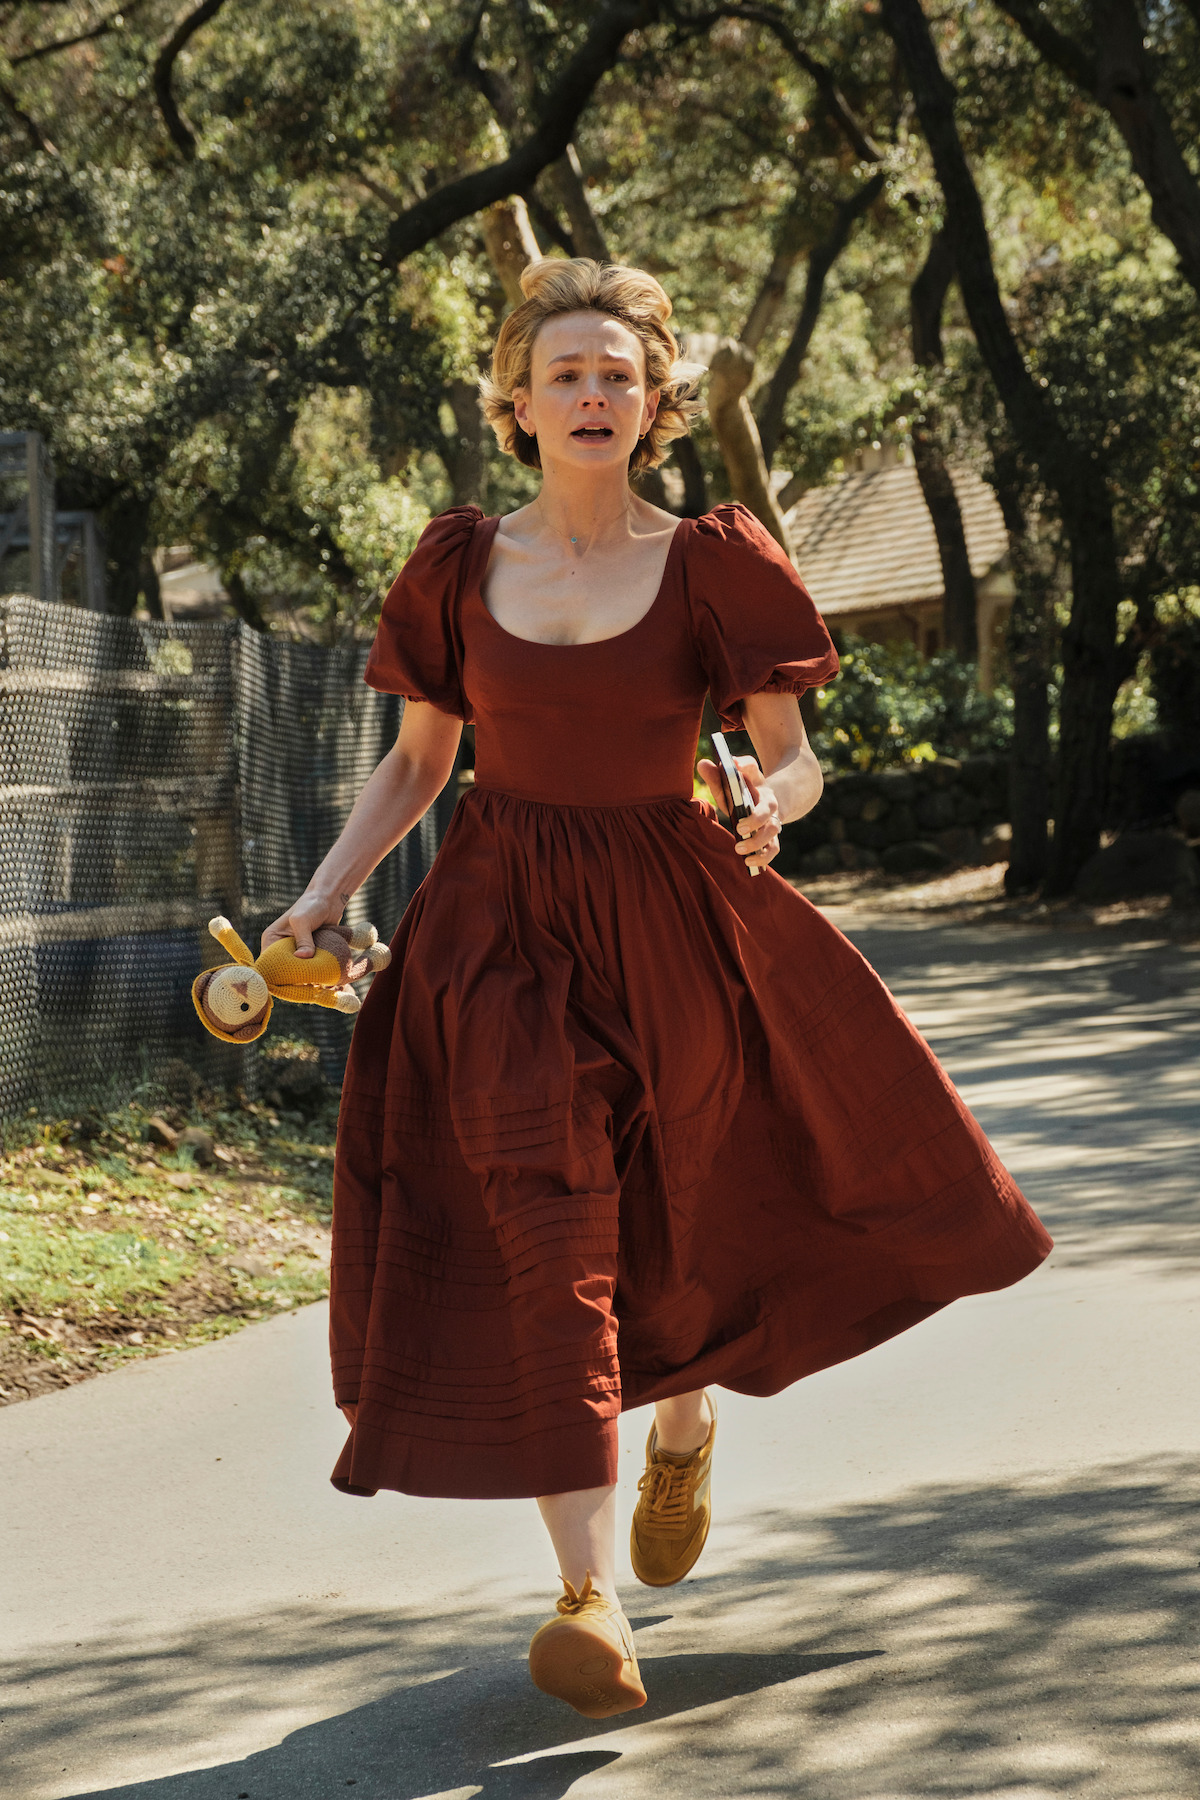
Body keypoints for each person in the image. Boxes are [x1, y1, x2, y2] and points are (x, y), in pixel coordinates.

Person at [264, 257, 1052, 1720]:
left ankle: (682, 1426)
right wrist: (323, 895)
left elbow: (792, 755)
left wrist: (769, 801)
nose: (592, 395)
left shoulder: (715, 563)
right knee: (542, 1215)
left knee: (677, 1205)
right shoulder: (457, 566)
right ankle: (585, 1595)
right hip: (499, 930)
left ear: (655, 401)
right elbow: (422, 762)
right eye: (563, 373)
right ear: (516, 402)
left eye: (617, 375)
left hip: (676, 916)